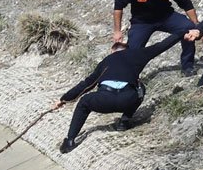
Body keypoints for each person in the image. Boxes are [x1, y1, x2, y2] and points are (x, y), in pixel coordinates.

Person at [56, 33, 184, 154]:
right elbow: (162, 45)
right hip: (127, 99)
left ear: (112, 51)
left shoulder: (106, 61)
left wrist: (64, 99)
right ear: (127, 50)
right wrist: (183, 32)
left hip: (104, 100)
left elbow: (86, 85)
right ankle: (124, 121)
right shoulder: (137, 54)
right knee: (141, 88)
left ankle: (70, 140)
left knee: (84, 102)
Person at [113, 0, 199, 76]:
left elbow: (186, 4)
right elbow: (118, 5)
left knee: (188, 28)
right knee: (133, 50)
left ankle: (187, 67)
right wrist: (117, 31)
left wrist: (196, 26)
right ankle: (130, 77)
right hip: (141, 22)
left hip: (166, 17)